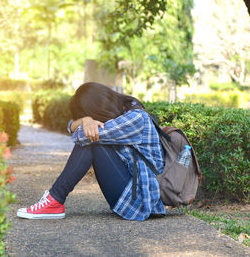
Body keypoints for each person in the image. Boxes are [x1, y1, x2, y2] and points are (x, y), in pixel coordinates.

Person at [17, 82, 165, 221]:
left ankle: (55, 200)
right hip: (130, 193)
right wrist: (85, 120)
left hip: (141, 202)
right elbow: (71, 126)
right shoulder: (123, 109)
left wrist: (84, 123)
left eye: (88, 113)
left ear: (97, 108)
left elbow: (80, 136)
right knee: (92, 139)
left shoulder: (135, 118)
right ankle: (54, 200)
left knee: (91, 142)